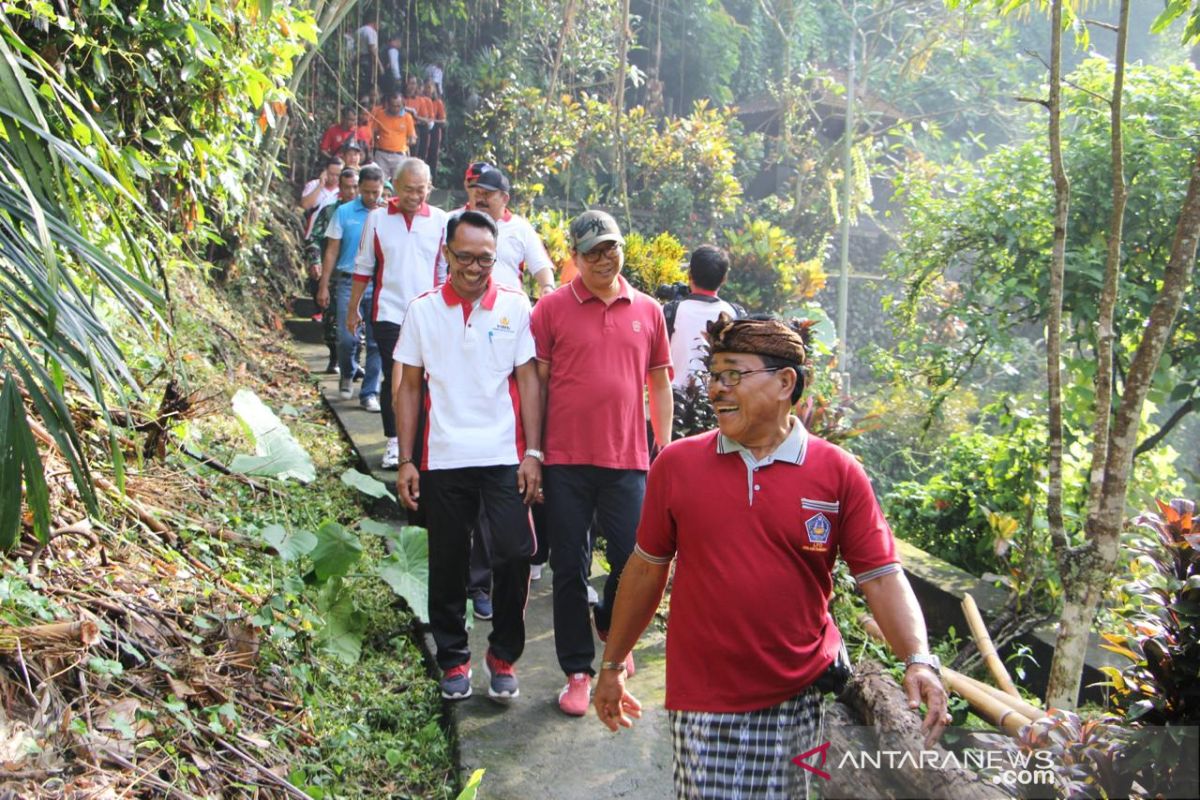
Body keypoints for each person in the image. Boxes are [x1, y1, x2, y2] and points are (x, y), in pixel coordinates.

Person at [593, 313, 953, 798]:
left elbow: (883, 576)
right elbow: (645, 570)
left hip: (801, 698)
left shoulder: (837, 473)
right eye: (713, 375)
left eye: (733, 374)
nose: (717, 389)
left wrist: (919, 660)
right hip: (704, 700)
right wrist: (612, 666)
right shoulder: (677, 465)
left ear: (785, 382)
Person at [395, 210, 542, 703]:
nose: (476, 267)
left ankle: (502, 655)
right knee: (448, 560)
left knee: (516, 552)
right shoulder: (422, 311)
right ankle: (454, 659)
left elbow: (528, 381)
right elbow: (409, 388)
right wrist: (408, 460)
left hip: (503, 456)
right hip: (444, 456)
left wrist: (534, 451)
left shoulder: (517, 308)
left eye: (486, 258)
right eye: (466, 257)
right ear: (446, 254)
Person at [530, 210, 673, 716]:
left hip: (629, 458)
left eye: (610, 248)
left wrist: (665, 450)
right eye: (591, 252)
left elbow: (658, 382)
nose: (602, 259)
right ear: (574, 257)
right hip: (565, 459)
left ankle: (613, 630)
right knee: (568, 565)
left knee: (636, 559)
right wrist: (533, 451)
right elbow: (538, 385)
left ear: (621, 250)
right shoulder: (549, 309)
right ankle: (576, 670)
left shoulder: (649, 310)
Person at [346, 158, 447, 470]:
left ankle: (424, 442)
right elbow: (363, 266)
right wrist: (353, 309)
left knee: (429, 380)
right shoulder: (377, 218)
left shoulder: (441, 220)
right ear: (395, 187)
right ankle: (395, 442)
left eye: (421, 190)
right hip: (389, 312)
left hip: (430, 315)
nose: (415, 196)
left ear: (429, 188)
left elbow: (444, 270)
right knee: (398, 379)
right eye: (408, 190)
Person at [318, 165, 385, 412]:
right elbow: (332, 249)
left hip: (378, 283)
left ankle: (369, 393)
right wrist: (324, 284)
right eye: (366, 192)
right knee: (347, 338)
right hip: (347, 280)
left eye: (376, 192)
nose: (371, 197)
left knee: (377, 341)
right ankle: (348, 371)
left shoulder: (388, 214)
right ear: (359, 189)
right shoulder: (344, 213)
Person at [458, 164, 556, 296]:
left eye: (487, 194)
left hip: (509, 309)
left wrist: (547, 287)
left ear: (505, 198)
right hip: (464, 304)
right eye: (478, 193)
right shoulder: (455, 221)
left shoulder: (520, 228)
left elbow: (540, 264)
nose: (480, 199)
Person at [667, 245, 742, 390]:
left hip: (675, 402)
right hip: (720, 399)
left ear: (690, 274)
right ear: (723, 279)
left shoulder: (671, 312)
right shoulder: (734, 314)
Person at [307, 167, 357, 371]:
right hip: (334, 272)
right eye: (347, 188)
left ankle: (352, 361)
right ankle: (334, 357)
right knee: (332, 318)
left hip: (360, 274)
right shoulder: (329, 212)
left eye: (355, 187)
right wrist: (315, 261)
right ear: (340, 188)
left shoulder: (371, 212)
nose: (351, 192)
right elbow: (314, 239)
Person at [370, 91, 417, 184]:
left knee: (399, 183)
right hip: (381, 154)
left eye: (398, 106)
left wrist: (410, 141)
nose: (396, 108)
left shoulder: (407, 117)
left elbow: (412, 137)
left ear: (402, 104)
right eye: (393, 105)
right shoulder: (380, 115)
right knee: (379, 182)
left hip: (399, 155)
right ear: (388, 104)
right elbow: (373, 132)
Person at [404, 75, 434, 162]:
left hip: (414, 129)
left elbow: (426, 119)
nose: (413, 86)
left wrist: (415, 116)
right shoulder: (400, 98)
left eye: (415, 84)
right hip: (400, 128)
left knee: (413, 156)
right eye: (411, 83)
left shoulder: (420, 100)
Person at [424, 80, 447, 177]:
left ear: (434, 89)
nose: (428, 89)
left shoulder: (438, 102)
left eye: (430, 87)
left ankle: (432, 180)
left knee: (433, 156)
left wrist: (432, 121)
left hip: (435, 131)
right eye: (426, 87)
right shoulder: (422, 100)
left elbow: (443, 120)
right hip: (423, 129)